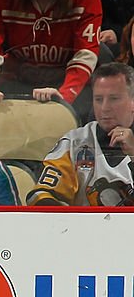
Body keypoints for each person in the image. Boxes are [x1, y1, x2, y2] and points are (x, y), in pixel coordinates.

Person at [28, 62, 134, 206]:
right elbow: (40, 196)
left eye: (114, 99)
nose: (104, 108)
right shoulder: (74, 142)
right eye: (98, 99)